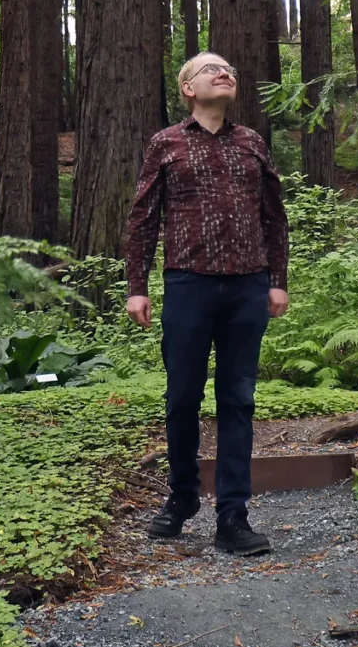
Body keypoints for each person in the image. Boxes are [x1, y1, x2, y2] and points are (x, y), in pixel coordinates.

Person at [122, 51, 290, 554]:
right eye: (212, 69)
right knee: (182, 399)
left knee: (238, 400)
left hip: (247, 288)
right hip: (188, 285)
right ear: (189, 89)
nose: (226, 73)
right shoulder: (166, 144)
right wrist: (137, 285)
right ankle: (181, 498)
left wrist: (277, 280)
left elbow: (274, 217)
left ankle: (233, 516)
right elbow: (142, 218)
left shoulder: (252, 143)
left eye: (231, 70)